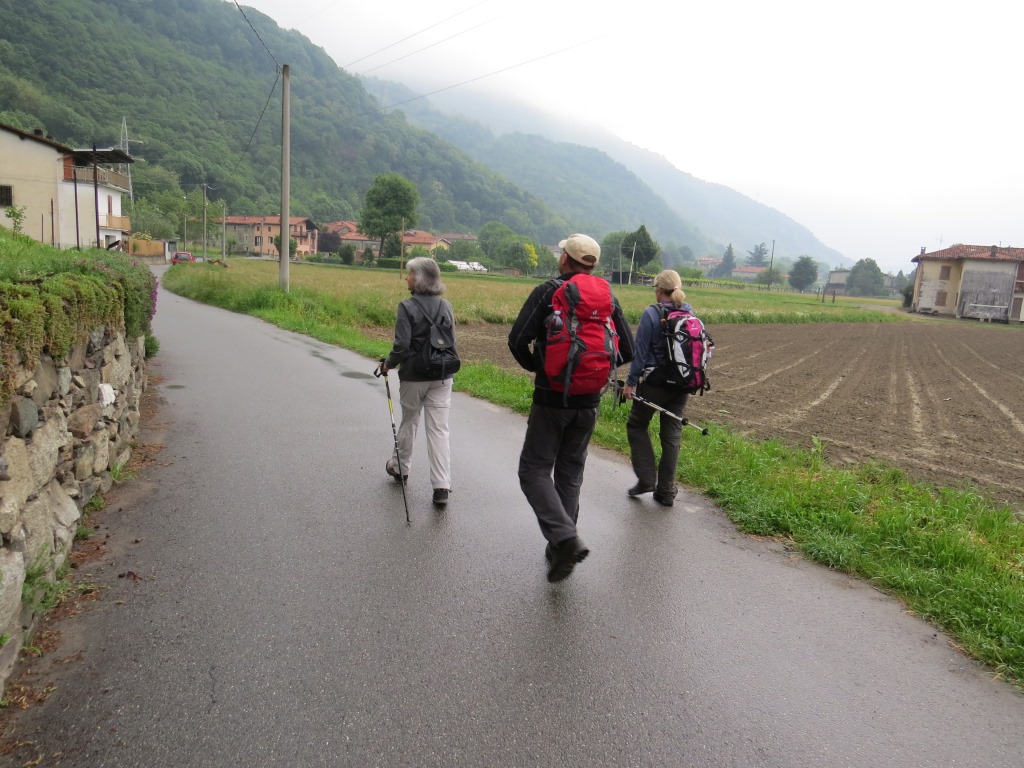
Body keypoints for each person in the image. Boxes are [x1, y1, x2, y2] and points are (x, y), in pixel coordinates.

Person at [508, 233, 634, 582]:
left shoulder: (548, 291)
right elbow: (627, 350)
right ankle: (559, 547)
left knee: (533, 470)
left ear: (565, 258)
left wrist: (542, 368)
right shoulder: (606, 295)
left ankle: (564, 538)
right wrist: (594, 373)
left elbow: (517, 339)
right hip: (589, 402)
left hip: (552, 399)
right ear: (592, 264)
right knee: (569, 474)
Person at [378, 257, 455, 508]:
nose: (406, 277)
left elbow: (401, 345)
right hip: (442, 375)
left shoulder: (406, 306)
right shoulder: (446, 306)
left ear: (420, 278)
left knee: (410, 421)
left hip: (414, 376)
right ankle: (441, 486)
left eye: (410, 274)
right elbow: (450, 341)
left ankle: (400, 469)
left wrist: (388, 364)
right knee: (439, 430)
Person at [621, 269, 691, 507]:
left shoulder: (652, 313)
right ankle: (666, 491)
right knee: (671, 436)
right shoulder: (689, 312)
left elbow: (640, 354)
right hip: (682, 384)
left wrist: (630, 383)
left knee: (636, 425)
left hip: (655, 383)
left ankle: (646, 479)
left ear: (659, 290)